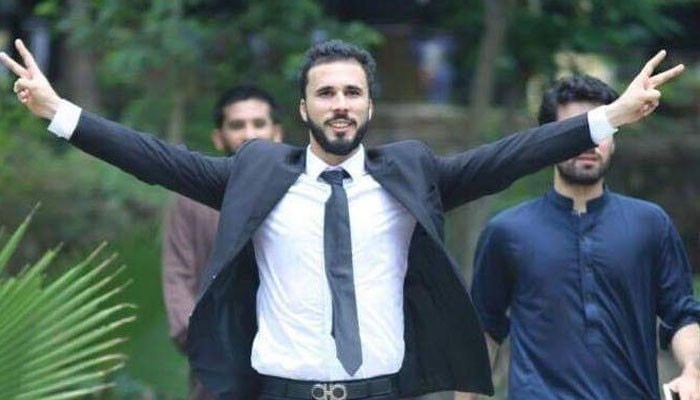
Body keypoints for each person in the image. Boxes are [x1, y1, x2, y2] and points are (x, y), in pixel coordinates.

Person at [0, 39, 684, 400]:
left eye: (352, 92)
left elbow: (509, 157)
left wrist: (609, 117)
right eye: (325, 92)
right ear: (303, 108)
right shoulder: (255, 173)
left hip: (382, 392)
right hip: (281, 393)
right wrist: (59, 112)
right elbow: (155, 160)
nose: (340, 104)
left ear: (369, 107)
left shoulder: (411, 174)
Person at [470, 75, 700, 400]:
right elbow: (483, 332)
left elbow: (682, 314)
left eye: (601, 128)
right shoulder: (507, 232)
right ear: (549, 141)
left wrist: (693, 371)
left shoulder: (650, 224)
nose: (590, 142)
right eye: (576, 130)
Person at [162, 85, 282, 400]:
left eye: (259, 123)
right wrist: (205, 342)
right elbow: (178, 278)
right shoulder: (191, 200)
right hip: (219, 372)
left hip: (295, 368)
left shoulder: (303, 193)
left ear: (277, 133)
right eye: (237, 125)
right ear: (219, 137)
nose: (249, 134)